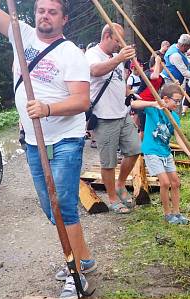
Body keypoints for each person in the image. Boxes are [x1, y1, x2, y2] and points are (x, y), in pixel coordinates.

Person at [0, 0, 98, 299]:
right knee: (50, 208)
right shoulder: (22, 34)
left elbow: (82, 101)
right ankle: (84, 259)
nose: (45, 15)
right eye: (41, 10)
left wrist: (47, 108)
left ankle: (77, 276)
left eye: (52, 11)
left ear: (64, 19)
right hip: (33, 141)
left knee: (63, 205)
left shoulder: (72, 54)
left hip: (66, 139)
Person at [85, 23, 140, 214]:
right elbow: (95, 71)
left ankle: (120, 184)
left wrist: (131, 94)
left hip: (122, 114)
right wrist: (119, 58)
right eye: (117, 40)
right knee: (108, 162)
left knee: (134, 149)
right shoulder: (92, 53)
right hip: (104, 117)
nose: (119, 44)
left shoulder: (113, 58)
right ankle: (112, 198)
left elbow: (118, 83)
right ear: (107, 36)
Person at [131, 84, 190, 224]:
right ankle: (167, 214)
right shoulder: (153, 110)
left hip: (165, 152)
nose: (178, 104)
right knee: (165, 182)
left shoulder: (175, 117)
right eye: (176, 100)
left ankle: (177, 213)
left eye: (180, 101)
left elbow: (179, 138)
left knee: (175, 182)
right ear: (166, 99)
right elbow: (134, 103)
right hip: (151, 151)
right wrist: (154, 103)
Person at [133, 54, 164, 141]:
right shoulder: (147, 73)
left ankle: (148, 145)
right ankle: (139, 149)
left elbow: (161, 91)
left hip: (152, 104)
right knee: (143, 129)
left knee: (150, 127)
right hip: (141, 102)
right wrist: (158, 61)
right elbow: (154, 76)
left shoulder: (162, 78)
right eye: (163, 64)